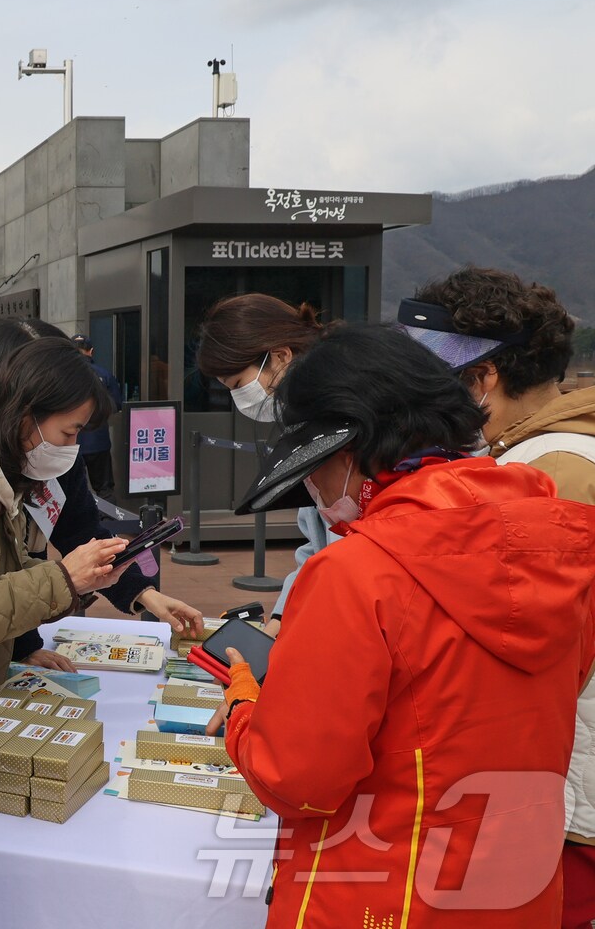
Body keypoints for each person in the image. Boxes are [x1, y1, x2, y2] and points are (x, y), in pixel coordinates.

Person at [222, 325, 595, 928]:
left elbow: (298, 778)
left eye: (314, 468)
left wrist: (245, 704)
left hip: (386, 889)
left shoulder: (357, 573)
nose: (313, 488)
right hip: (516, 883)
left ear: (352, 450)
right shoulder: (564, 545)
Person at [401, 266, 595, 929]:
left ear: (481, 379)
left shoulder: (546, 476)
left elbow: (524, 654)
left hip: (565, 786)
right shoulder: (559, 453)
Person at [0, 336, 201, 714]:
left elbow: (5, 569)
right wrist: (64, 579)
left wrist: (102, 582)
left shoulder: (1, 465)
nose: (72, 448)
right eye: (69, 433)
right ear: (27, 413)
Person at [0, 318, 203, 671]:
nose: (71, 444)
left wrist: (146, 594)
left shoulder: (54, 454)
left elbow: (82, 534)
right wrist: (22, 646)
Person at [195, 293, 330, 633]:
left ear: (282, 356)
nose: (239, 399)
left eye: (239, 385)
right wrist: (282, 618)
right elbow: (316, 545)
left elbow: (346, 546)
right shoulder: (306, 421)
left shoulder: (342, 421)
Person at [70, 333, 122, 499]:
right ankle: (109, 524)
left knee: (71, 491)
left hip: (69, 442)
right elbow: (116, 405)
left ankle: (76, 524)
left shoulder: (62, 375)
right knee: (105, 490)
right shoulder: (104, 375)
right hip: (98, 441)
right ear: (91, 351)